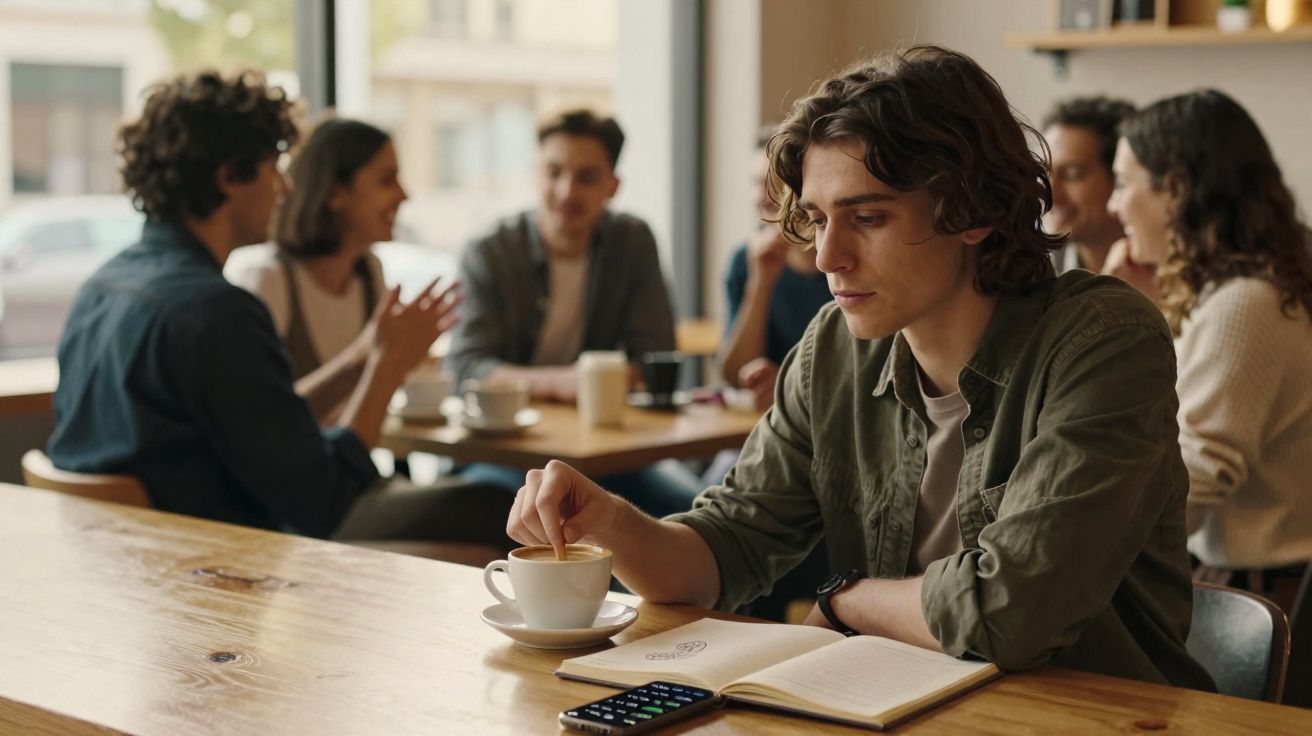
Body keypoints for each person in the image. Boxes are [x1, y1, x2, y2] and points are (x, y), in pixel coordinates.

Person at [505, 47, 1214, 689]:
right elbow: (724, 551)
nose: (825, 257)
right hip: (899, 706)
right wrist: (614, 523)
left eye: (867, 218)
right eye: (816, 219)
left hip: (1099, 715)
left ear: (972, 210)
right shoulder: (834, 348)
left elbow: (1010, 612)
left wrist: (844, 600)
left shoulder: (1103, 339)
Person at [48, 70, 509, 549]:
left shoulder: (101, 287)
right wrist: (388, 365)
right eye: (274, 167)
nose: (286, 189)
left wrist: (360, 359)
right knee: (498, 506)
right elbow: (324, 503)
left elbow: (264, 427)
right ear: (229, 176)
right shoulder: (216, 312)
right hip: (210, 572)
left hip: (116, 569)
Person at [1105, 89, 1312, 609]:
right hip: (1254, 589)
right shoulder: (1250, 289)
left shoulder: (1246, 303)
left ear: (1175, 190)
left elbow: (1188, 481)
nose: (1113, 204)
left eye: (1124, 183)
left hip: (1257, 605)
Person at [446, 109, 700, 518]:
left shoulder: (631, 242)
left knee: (695, 517)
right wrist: (564, 383)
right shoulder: (491, 251)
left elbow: (655, 358)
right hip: (506, 454)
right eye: (554, 172)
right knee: (520, 516)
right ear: (534, 173)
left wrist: (599, 381)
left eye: (586, 177)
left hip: (606, 458)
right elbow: (467, 368)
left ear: (613, 186)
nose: (566, 191)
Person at [226, 118, 399, 422]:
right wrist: (365, 359)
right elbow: (258, 419)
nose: (403, 195)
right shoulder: (267, 278)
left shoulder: (369, 273)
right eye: (387, 181)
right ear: (334, 193)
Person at [718, 128, 832, 413]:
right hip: (766, 421)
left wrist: (786, 383)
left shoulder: (840, 263)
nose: (763, 197)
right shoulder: (745, 260)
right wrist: (761, 284)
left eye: (776, 184)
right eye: (757, 183)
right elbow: (735, 376)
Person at [1042, 96, 1136, 273]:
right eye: (1044, 173)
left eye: (1072, 174)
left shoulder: (1176, 277)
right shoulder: (1040, 270)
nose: (1050, 194)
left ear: (1120, 179)